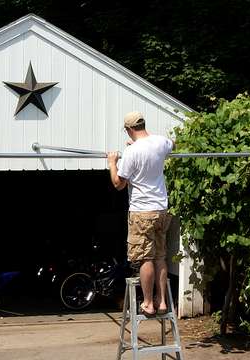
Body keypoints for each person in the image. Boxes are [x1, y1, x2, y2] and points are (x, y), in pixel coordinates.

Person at [107, 111, 174, 316]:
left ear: (128, 130)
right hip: (161, 210)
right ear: (144, 124)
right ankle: (162, 302)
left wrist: (112, 162)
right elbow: (173, 144)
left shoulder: (132, 152)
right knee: (160, 256)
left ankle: (148, 304)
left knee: (145, 258)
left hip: (142, 212)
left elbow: (119, 183)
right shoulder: (161, 142)